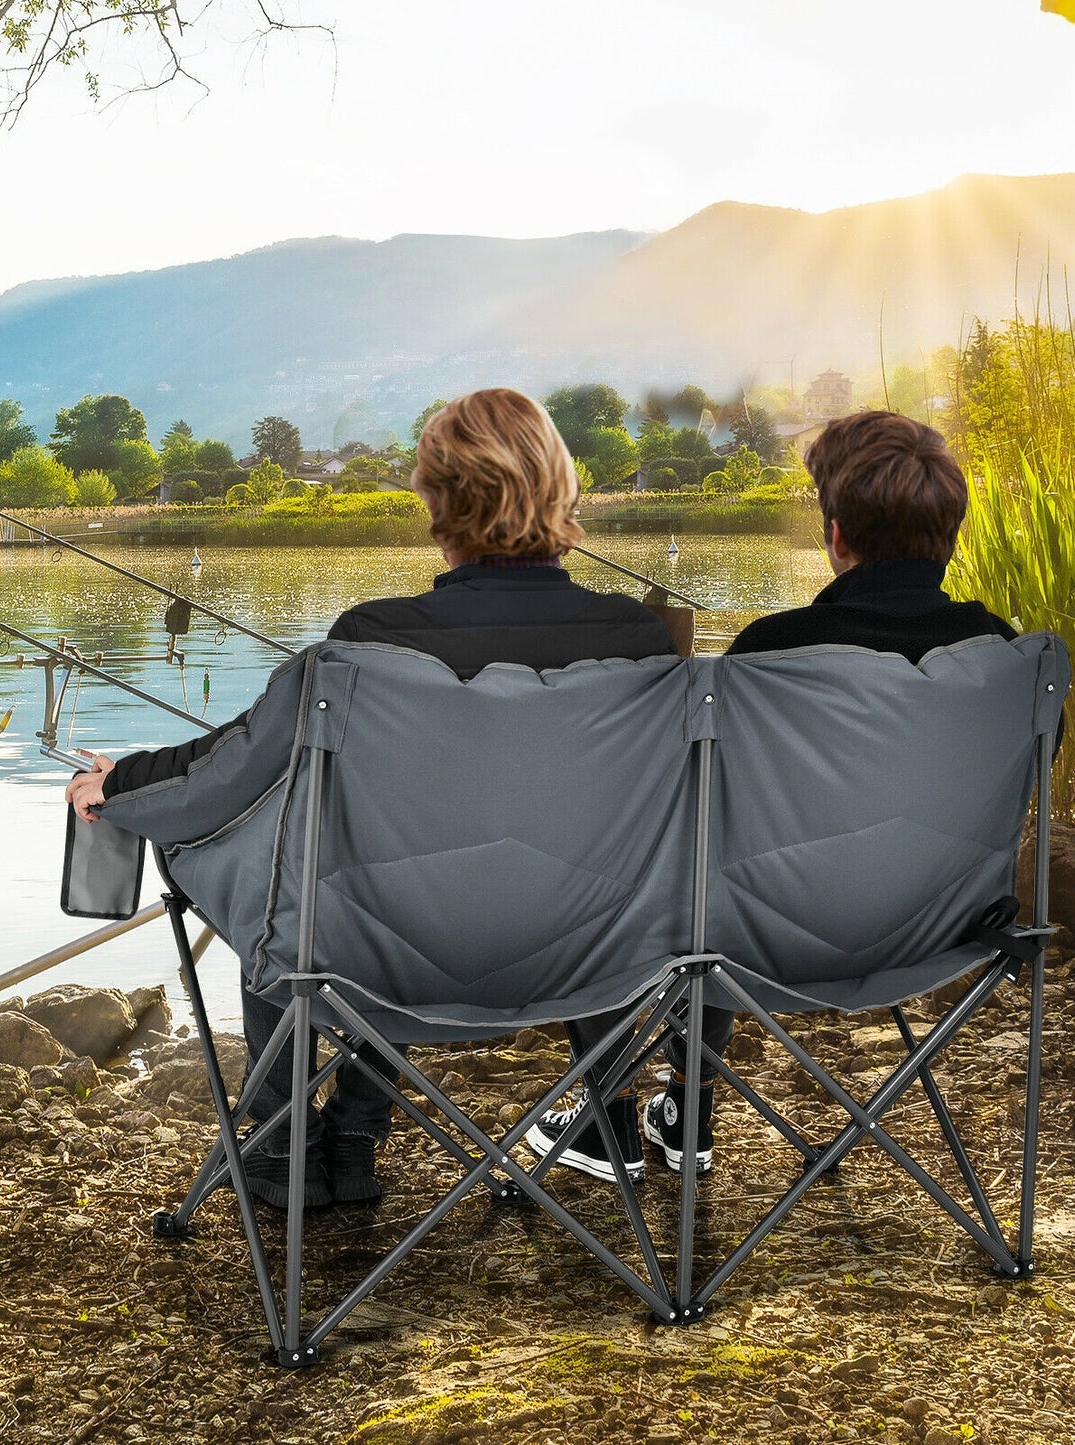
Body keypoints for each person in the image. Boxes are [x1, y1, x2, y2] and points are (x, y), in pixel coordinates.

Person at [67, 388, 676, 1209]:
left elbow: (227, 771)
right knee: (419, 872)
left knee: (285, 865)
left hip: (387, 956)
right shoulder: (642, 644)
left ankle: (284, 1138)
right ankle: (354, 1123)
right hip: (596, 958)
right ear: (561, 491)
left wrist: (121, 785)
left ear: (434, 500)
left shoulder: (369, 642)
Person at [634, 407, 1020, 1178]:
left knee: (696, 874)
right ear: (950, 536)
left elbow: (692, 802)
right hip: (939, 933)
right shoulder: (1009, 659)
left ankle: (681, 1103)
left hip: (767, 939)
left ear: (836, 535)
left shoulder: (768, 652)